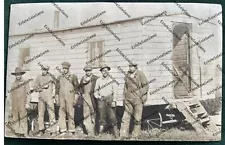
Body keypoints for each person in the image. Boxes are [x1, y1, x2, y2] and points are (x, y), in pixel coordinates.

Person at [120, 63, 149, 138]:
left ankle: (135, 135)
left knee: (137, 118)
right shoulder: (127, 75)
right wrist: (124, 97)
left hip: (138, 100)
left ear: (135, 67)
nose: (130, 68)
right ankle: (123, 134)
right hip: (128, 99)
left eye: (132, 66)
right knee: (125, 117)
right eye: (129, 66)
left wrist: (140, 93)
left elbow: (146, 85)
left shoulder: (140, 74)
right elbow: (125, 87)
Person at [94, 64, 119, 138]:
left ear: (108, 71)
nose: (105, 72)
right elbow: (95, 91)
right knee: (102, 117)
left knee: (112, 116)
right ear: (101, 72)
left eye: (106, 70)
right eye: (103, 70)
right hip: (101, 100)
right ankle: (100, 133)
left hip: (110, 99)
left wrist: (114, 101)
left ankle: (116, 133)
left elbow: (115, 91)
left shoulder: (112, 80)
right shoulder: (98, 80)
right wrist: (98, 97)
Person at [55, 62, 79, 136]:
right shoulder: (59, 77)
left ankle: (71, 130)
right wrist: (56, 98)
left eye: (66, 68)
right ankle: (63, 130)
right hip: (61, 97)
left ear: (68, 69)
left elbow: (76, 89)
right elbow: (57, 89)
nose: (64, 70)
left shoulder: (73, 77)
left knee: (70, 113)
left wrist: (75, 98)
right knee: (61, 113)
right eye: (63, 68)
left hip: (70, 97)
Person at [35, 65, 57, 136]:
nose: (44, 71)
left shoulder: (51, 76)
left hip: (49, 98)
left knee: (51, 113)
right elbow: (35, 87)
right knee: (40, 114)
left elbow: (57, 84)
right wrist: (39, 88)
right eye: (43, 70)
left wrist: (54, 92)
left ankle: (53, 131)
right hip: (41, 98)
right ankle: (41, 130)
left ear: (47, 70)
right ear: (41, 69)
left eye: (45, 70)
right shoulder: (38, 77)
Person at [8, 67, 31, 137]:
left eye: (19, 74)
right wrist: (10, 105)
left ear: (21, 74)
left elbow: (28, 93)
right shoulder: (13, 84)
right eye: (17, 75)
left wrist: (27, 103)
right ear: (15, 75)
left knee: (23, 118)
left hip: (22, 104)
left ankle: (25, 133)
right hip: (14, 104)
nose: (18, 76)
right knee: (15, 118)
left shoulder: (25, 82)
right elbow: (10, 95)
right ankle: (17, 132)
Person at [80, 65, 99, 136]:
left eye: (89, 70)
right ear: (85, 71)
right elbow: (80, 87)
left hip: (93, 99)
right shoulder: (83, 78)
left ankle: (94, 131)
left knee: (94, 114)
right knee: (86, 115)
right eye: (86, 71)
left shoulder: (95, 78)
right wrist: (82, 94)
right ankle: (89, 132)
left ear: (91, 71)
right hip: (85, 99)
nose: (88, 72)